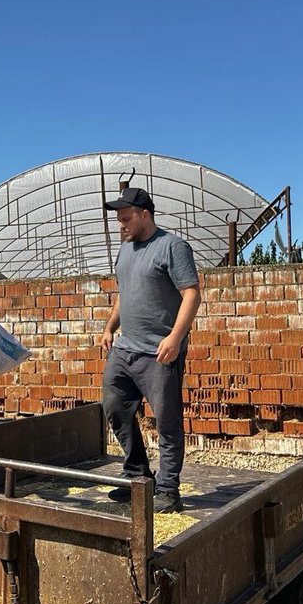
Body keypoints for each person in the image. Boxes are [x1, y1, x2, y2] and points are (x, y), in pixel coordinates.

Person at [100, 187, 201, 513]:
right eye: (119, 220)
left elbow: (192, 294)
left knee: (166, 422)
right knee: (115, 407)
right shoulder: (125, 250)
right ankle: (138, 477)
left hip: (159, 353)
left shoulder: (172, 247)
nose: (121, 225)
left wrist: (175, 337)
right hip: (125, 349)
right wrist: (109, 327)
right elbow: (124, 293)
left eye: (126, 219)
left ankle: (169, 489)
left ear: (145, 215)